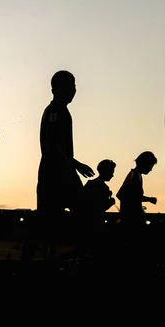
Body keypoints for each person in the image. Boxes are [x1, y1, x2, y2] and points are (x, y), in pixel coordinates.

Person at [24, 70, 94, 261]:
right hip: (56, 173)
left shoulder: (58, 111)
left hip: (60, 171)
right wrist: (75, 164)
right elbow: (52, 146)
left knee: (49, 221)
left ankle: (49, 255)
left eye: (74, 86)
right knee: (80, 216)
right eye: (70, 86)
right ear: (56, 89)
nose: (74, 91)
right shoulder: (55, 112)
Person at [116, 151, 157, 262]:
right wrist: (148, 199)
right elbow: (122, 195)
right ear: (145, 164)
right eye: (150, 166)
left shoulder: (136, 175)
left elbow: (131, 195)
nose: (151, 169)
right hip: (131, 220)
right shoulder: (134, 176)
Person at [79, 159, 116, 259]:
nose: (113, 175)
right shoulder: (104, 188)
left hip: (85, 223)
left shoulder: (90, 184)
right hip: (96, 224)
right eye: (111, 172)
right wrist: (111, 202)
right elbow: (101, 207)